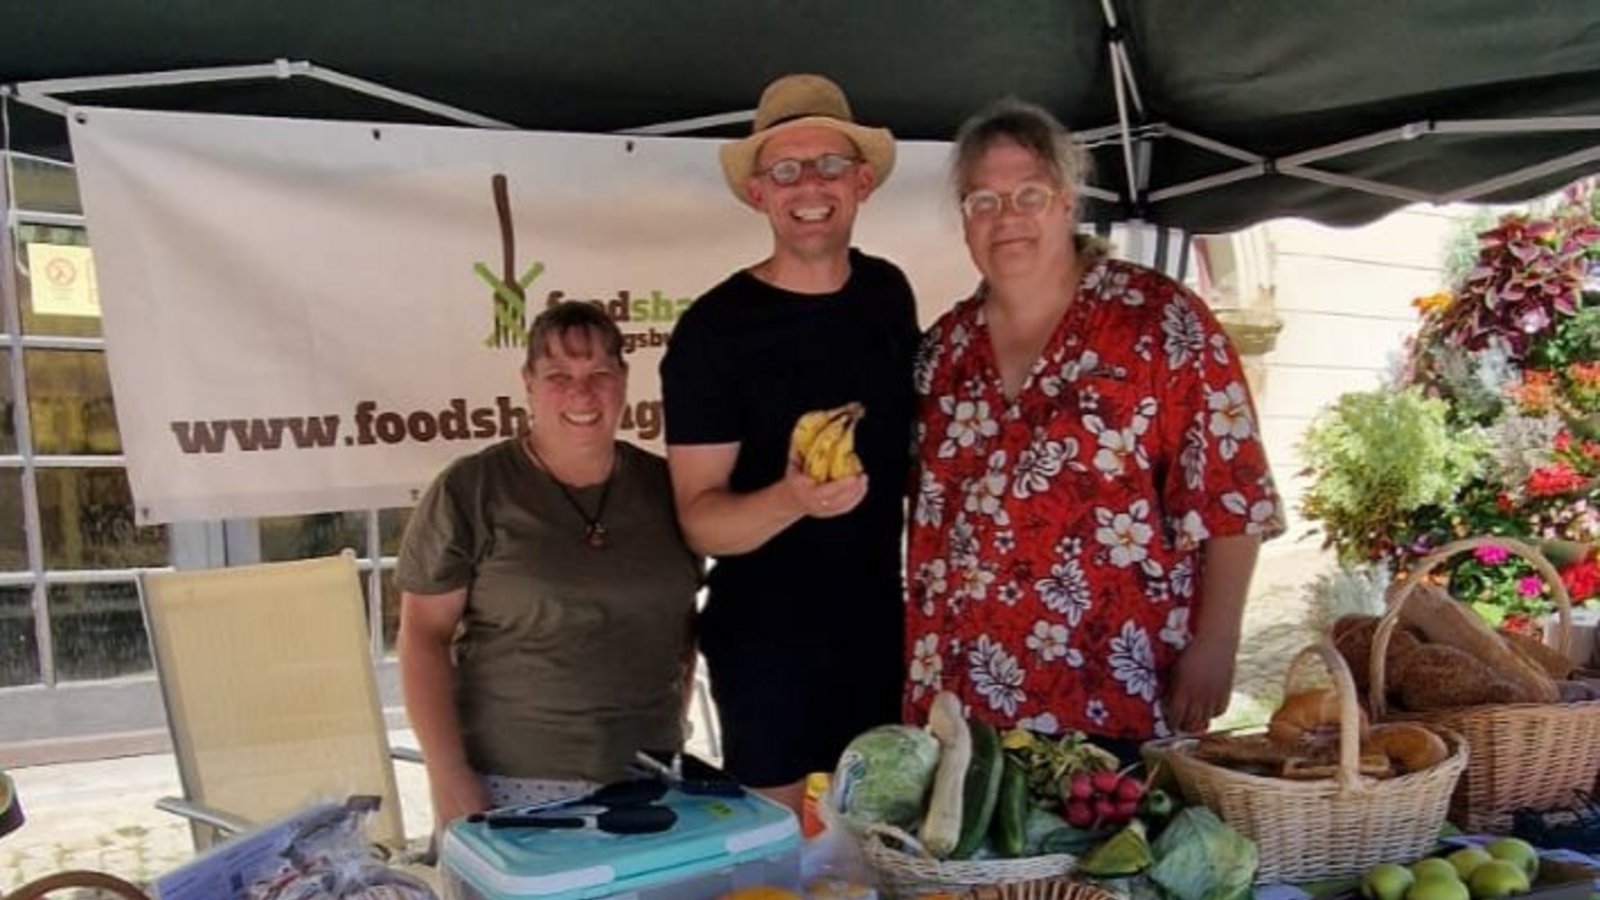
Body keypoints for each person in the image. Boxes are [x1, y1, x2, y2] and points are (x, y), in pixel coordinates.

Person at [904, 99, 1284, 756]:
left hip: (1120, 689)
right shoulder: (942, 352)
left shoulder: (1160, 322)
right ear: (965, 221)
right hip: (966, 709)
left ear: (1067, 202)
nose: (1007, 218)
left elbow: (1232, 493)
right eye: (983, 201)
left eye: (1029, 193)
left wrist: (1217, 642)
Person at [660, 73, 919, 811]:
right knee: (779, 859)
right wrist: (792, 498)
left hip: (881, 627)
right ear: (758, 193)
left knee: (878, 850)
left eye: (830, 165)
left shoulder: (886, 295)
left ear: (862, 182)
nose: (810, 184)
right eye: (786, 169)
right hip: (767, 643)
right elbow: (698, 518)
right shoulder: (715, 333)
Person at [397, 302, 701, 828]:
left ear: (624, 381)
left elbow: (684, 626)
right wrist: (449, 777)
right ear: (529, 384)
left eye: (599, 374)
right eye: (559, 376)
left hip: (651, 786)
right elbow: (423, 634)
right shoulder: (471, 490)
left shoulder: (667, 486)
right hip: (509, 788)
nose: (581, 394)